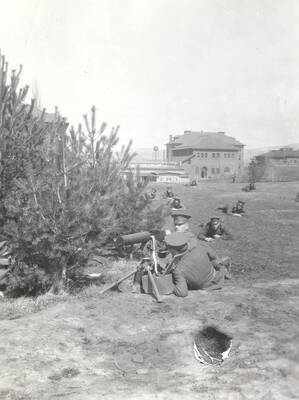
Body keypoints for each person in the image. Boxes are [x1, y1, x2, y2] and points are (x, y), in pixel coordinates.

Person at [165, 232, 231, 297]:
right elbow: (214, 257)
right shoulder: (201, 246)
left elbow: (182, 292)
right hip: (217, 277)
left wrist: (171, 287)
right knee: (214, 261)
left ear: (174, 250)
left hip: (205, 286)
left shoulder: (178, 269)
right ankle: (223, 269)